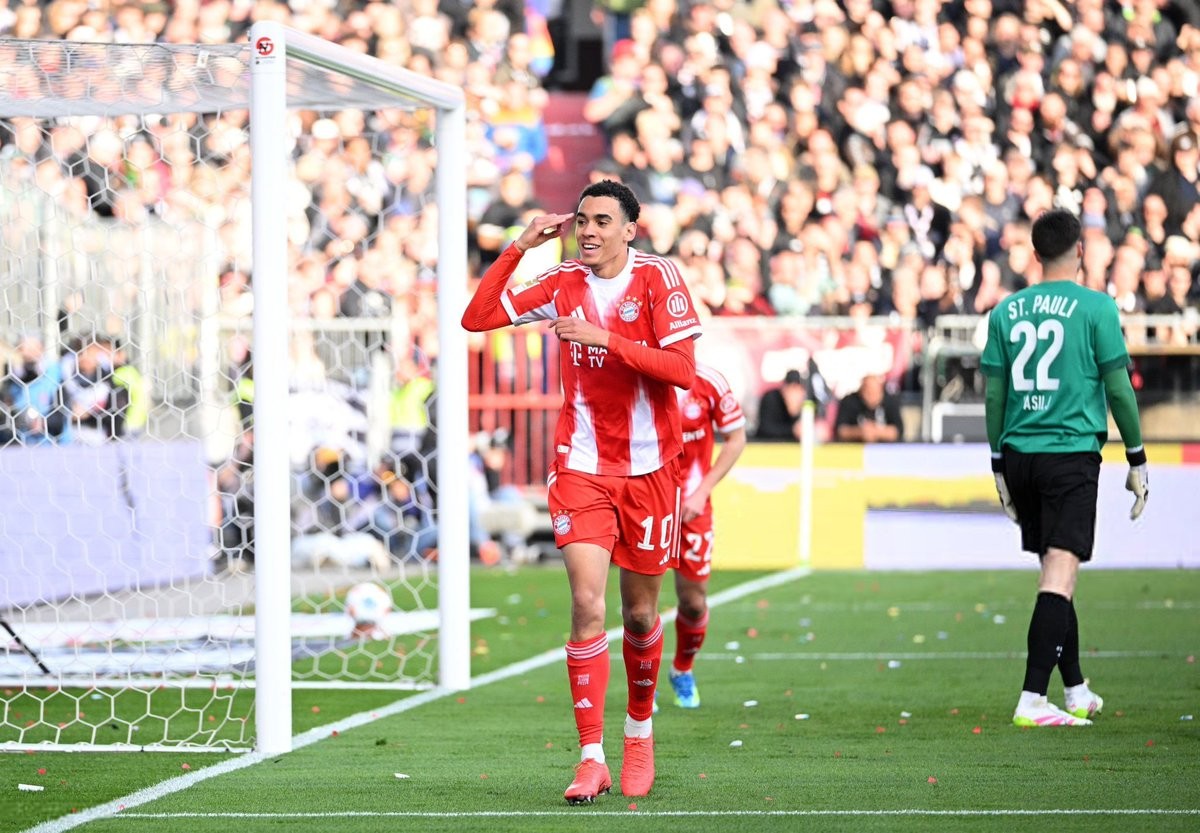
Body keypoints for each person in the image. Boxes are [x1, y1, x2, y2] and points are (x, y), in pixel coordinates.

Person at [462, 179, 702, 803]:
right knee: (587, 604)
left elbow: (684, 371)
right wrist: (520, 246)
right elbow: (476, 318)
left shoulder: (659, 279)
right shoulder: (563, 281)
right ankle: (592, 757)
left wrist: (609, 342)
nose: (588, 231)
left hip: (651, 469)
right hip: (581, 467)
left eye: (601, 221)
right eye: (582, 220)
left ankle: (639, 731)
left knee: (641, 614)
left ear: (629, 230)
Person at [980, 209, 1148, 728]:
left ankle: (1074, 689)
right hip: (1068, 452)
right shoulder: (1096, 307)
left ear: (1035, 254)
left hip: (1020, 454)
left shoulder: (1005, 311)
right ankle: (1032, 698)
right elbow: (1118, 387)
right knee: (1060, 571)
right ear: (1079, 250)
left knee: (1057, 568)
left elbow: (994, 395)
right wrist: (1137, 456)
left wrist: (998, 465)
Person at [661, 362, 746, 709]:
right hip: (648, 504)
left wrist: (702, 491)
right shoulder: (642, 375)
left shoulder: (709, 382)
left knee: (694, 602)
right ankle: (641, 687)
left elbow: (737, 438)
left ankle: (682, 668)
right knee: (640, 606)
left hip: (693, 508)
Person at [834, 373, 904, 443]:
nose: (871, 396)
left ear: (881, 390)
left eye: (874, 392)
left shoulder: (890, 401)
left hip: (886, 447)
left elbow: (898, 430)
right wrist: (860, 432)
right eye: (868, 392)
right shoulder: (849, 401)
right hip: (855, 447)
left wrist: (877, 432)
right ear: (861, 391)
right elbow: (841, 430)